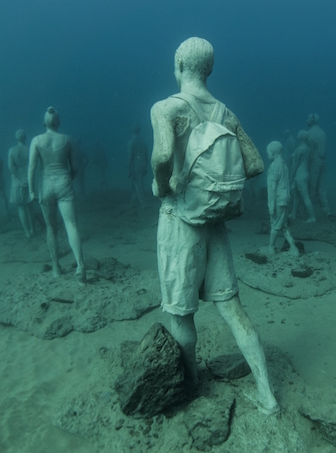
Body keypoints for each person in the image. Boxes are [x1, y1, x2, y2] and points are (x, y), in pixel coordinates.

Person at [150, 37, 279, 415]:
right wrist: (215, 185)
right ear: (210, 69)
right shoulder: (225, 113)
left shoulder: (166, 108)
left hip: (179, 222)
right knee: (234, 310)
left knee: (181, 313)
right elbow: (255, 164)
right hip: (215, 223)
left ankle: (191, 384)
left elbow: (162, 154)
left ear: (179, 65)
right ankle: (267, 396)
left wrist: (164, 185)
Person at [28, 107, 86, 282]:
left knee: (51, 228)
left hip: (45, 185)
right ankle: (80, 266)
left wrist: (31, 190)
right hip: (63, 182)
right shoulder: (68, 140)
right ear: (58, 123)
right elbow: (75, 167)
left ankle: (56, 268)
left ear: (44, 123)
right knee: (71, 225)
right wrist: (68, 179)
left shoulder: (36, 140)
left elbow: (31, 168)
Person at [265, 141, 299, 257]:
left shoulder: (274, 166)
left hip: (278, 200)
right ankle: (293, 248)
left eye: (268, 152)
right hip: (285, 199)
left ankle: (271, 248)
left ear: (273, 152)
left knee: (275, 225)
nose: (267, 155)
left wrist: (271, 205)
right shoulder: (284, 165)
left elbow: (273, 188)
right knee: (284, 225)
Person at [8, 129, 34, 238]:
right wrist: (26, 179)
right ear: (25, 137)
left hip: (17, 182)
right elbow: (33, 165)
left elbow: (11, 168)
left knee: (21, 207)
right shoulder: (30, 149)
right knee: (30, 205)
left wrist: (20, 179)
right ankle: (33, 229)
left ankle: (27, 232)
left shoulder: (12, 150)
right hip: (29, 179)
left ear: (16, 137)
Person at [289, 129, 317, 223]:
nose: (297, 136)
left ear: (301, 137)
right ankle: (293, 213)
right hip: (305, 173)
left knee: (305, 197)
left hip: (299, 175)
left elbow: (295, 165)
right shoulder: (308, 148)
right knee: (297, 196)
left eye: (298, 135)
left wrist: (291, 177)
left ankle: (312, 217)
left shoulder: (299, 149)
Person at [306, 113, 331, 216]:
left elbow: (310, 152)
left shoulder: (310, 133)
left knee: (311, 187)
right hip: (322, 162)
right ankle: (326, 211)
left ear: (312, 120)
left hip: (314, 163)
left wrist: (306, 166)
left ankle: (310, 213)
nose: (306, 120)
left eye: (308, 118)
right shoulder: (322, 132)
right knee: (321, 188)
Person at [128, 124, 149, 209]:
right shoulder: (143, 142)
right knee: (134, 185)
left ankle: (144, 204)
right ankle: (133, 202)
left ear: (131, 131)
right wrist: (145, 166)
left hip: (135, 167)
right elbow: (146, 155)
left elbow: (130, 157)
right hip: (142, 166)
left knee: (138, 186)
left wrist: (129, 169)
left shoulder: (131, 142)